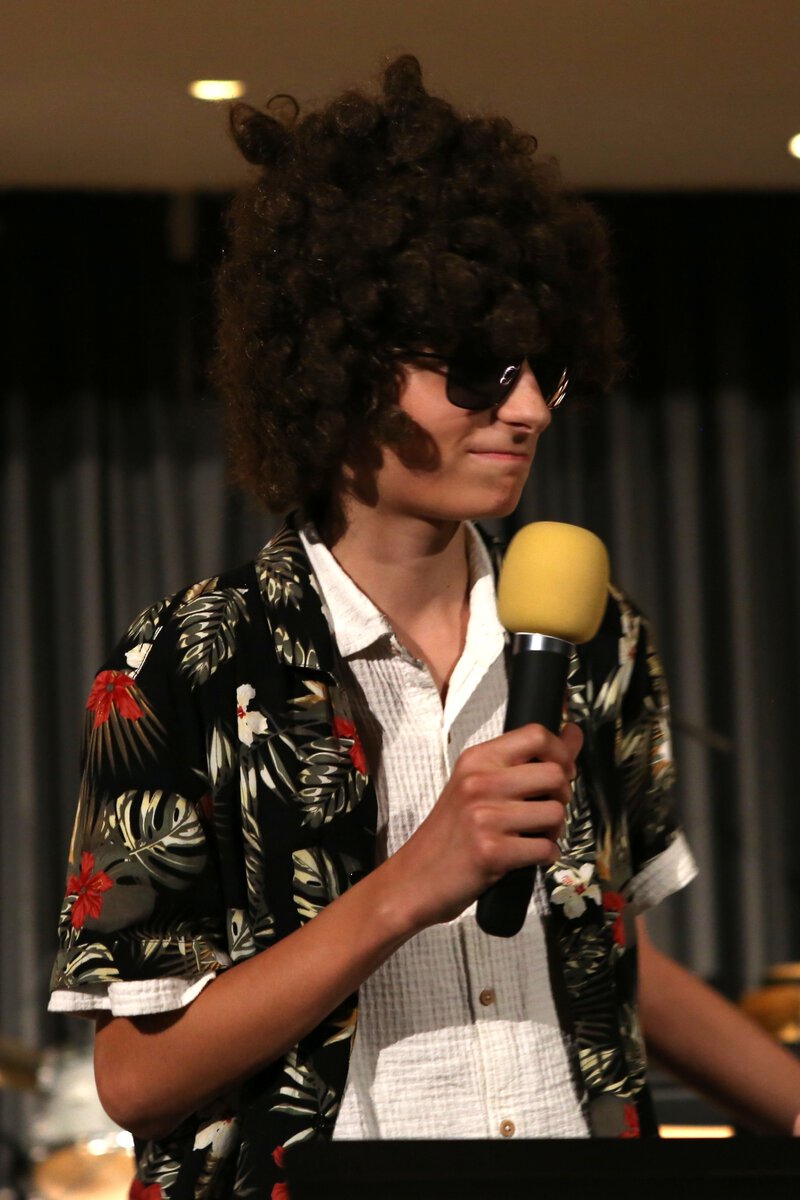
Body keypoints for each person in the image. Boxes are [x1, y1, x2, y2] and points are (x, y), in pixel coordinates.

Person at [49, 55, 800, 1199]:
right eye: (479, 372)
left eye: (544, 369)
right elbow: (137, 1081)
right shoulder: (186, 659)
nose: (529, 407)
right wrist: (410, 883)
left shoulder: (595, 634)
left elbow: (605, 948)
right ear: (337, 367)